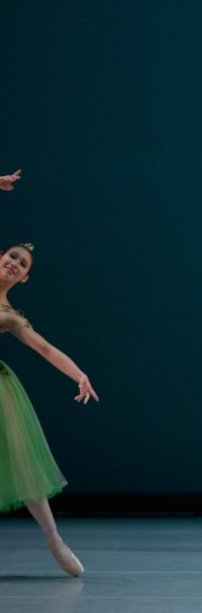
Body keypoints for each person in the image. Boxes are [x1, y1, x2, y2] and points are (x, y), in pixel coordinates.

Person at [0, 242, 99, 576]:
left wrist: (79, 374)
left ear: (25, 277)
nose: (14, 263)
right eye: (11, 256)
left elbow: (44, 348)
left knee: (22, 460)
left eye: (22, 263)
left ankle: (54, 538)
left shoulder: (11, 316)